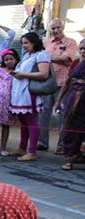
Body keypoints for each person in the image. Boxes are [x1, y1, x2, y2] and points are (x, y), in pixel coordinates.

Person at [8, 32, 52, 161]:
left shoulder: (42, 55)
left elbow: (44, 74)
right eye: (23, 43)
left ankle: (31, 151)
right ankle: (22, 147)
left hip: (29, 93)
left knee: (31, 121)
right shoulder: (27, 55)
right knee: (23, 121)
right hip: (20, 92)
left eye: (26, 43)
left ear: (34, 42)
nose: (24, 46)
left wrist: (23, 75)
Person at [41, 18, 78, 152]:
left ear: (63, 28)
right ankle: (42, 142)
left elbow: (67, 60)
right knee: (44, 113)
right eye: (53, 28)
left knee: (62, 114)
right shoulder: (46, 43)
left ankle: (62, 145)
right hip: (47, 83)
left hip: (63, 84)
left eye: (58, 28)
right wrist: (57, 58)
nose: (56, 30)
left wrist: (49, 58)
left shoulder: (71, 43)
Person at [54, 38, 85, 170]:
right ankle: (70, 157)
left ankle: (75, 156)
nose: (83, 51)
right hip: (72, 99)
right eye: (82, 48)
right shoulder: (76, 63)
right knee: (69, 127)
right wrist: (58, 101)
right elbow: (67, 82)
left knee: (80, 129)